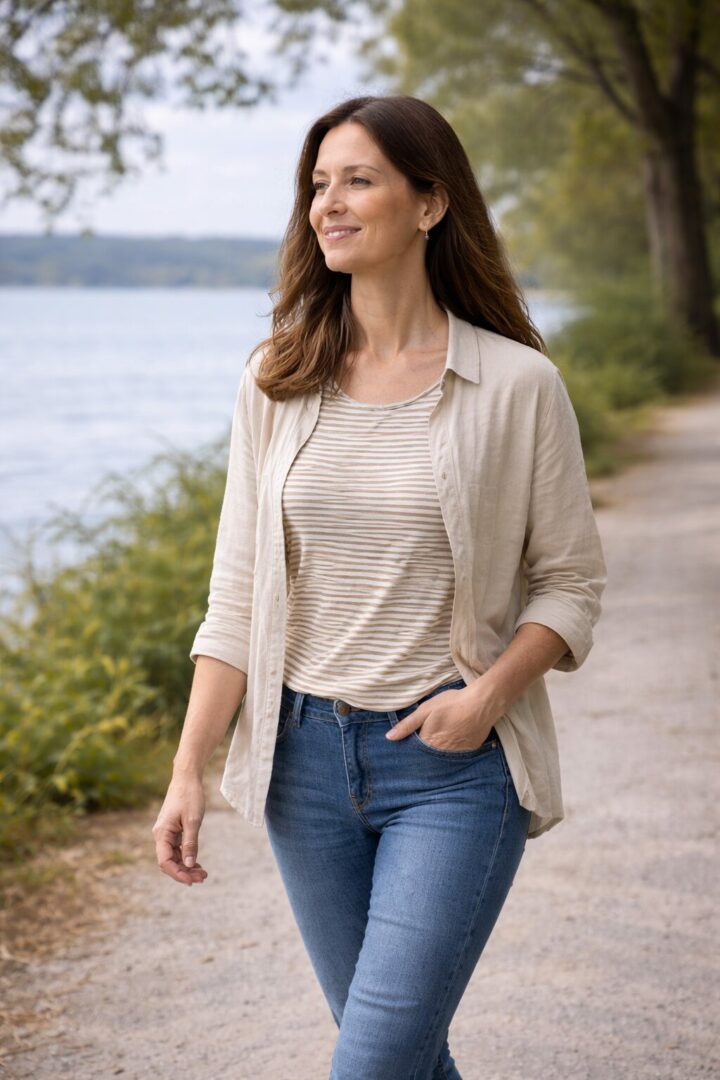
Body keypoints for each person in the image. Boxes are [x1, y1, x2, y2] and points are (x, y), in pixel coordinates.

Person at [152, 94, 607, 1079]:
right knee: (401, 1054)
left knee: (373, 1061)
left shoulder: (518, 385)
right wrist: (190, 769)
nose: (328, 204)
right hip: (301, 769)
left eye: (357, 180)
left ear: (431, 202)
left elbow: (570, 587)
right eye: (318, 184)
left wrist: (485, 698)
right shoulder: (277, 378)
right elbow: (236, 592)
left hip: (451, 769)